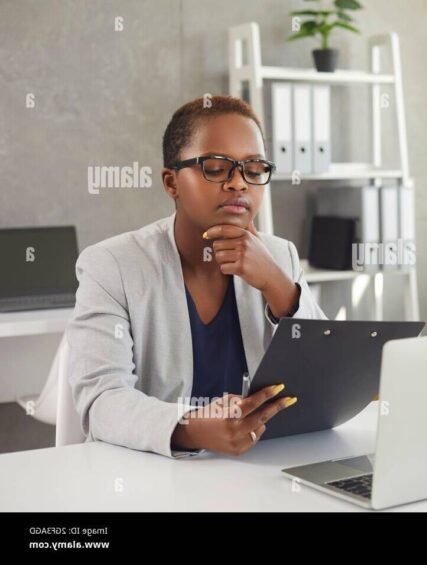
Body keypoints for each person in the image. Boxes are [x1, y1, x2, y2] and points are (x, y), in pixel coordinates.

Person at [65, 95, 326, 458]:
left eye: (253, 169)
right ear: (171, 183)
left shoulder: (280, 256)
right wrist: (192, 429)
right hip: (151, 479)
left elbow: (325, 381)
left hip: (259, 472)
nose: (239, 184)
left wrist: (278, 286)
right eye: (217, 168)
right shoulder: (111, 266)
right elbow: (102, 403)